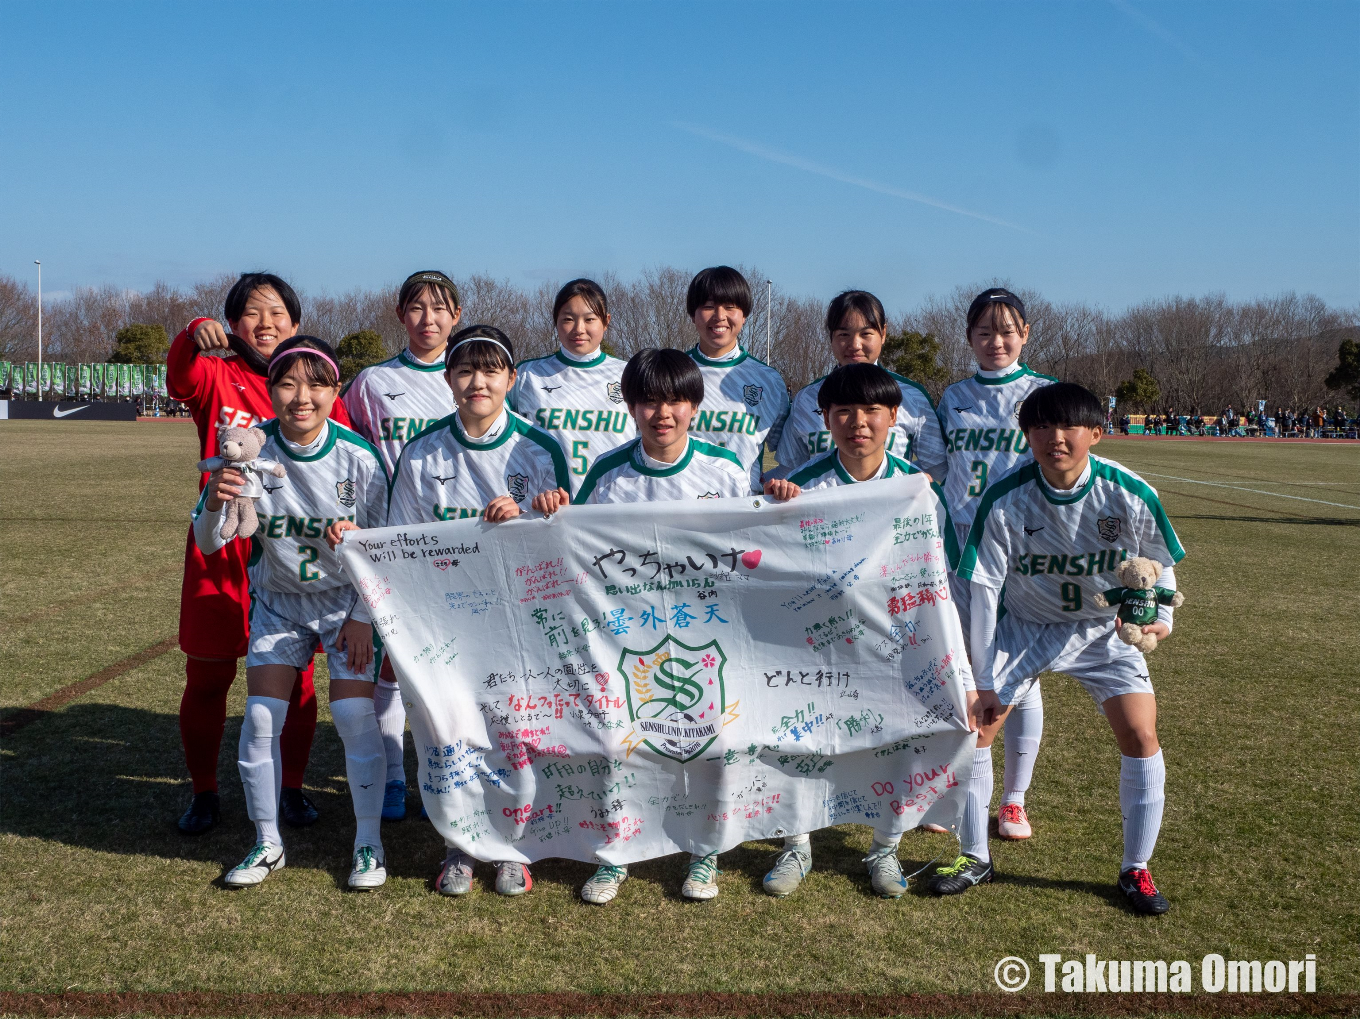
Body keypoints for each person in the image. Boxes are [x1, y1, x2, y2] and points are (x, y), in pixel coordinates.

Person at [935, 382, 1185, 915]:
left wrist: (1158, 620)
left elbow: (1158, 563)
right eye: (1042, 427)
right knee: (977, 729)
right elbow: (983, 593)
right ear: (1026, 434)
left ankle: (1135, 869)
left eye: (1069, 426)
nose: (1056, 438)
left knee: (1141, 734)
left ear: (1095, 432)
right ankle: (974, 855)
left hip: (1100, 632)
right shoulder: (1005, 498)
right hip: (1025, 625)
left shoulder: (1128, 493)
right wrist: (981, 679)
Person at [193, 338, 389, 889]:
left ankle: (369, 843)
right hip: (278, 603)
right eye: (287, 384)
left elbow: (383, 549)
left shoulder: (358, 458)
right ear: (272, 389)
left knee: (353, 718)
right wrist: (213, 500)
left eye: (317, 384)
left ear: (334, 390)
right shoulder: (251, 448)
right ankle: (267, 843)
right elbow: (209, 542)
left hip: (346, 604)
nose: (301, 398)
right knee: (259, 718)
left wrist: (362, 616)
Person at [760, 363, 962, 898]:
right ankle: (795, 844)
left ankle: (885, 848)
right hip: (811, 647)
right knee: (800, 739)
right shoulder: (799, 487)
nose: (858, 423)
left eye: (872, 410)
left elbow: (947, 575)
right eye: (844, 411)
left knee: (897, 743)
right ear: (825, 418)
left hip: (895, 647)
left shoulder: (918, 491)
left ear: (894, 417)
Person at [385, 324, 572, 898]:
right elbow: (399, 543)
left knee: (513, 733)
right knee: (451, 734)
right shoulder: (421, 452)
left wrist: (542, 512)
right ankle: (459, 847)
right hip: (444, 621)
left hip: (517, 620)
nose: (478, 382)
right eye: (465, 370)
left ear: (512, 379)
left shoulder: (539, 450)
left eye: (491, 370)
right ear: (448, 379)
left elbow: (567, 543)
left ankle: (512, 846)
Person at [562, 348, 750, 904]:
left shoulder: (725, 471)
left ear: (694, 405)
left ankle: (704, 854)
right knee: (623, 743)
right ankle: (617, 851)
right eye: (648, 401)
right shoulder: (608, 475)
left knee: (710, 745)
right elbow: (575, 550)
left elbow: (752, 550)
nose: (661, 413)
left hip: (708, 636)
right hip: (629, 638)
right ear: (631, 406)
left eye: (674, 401)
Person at [168, 272, 351, 835]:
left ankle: (290, 789)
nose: (266, 323)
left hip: (288, 554)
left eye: (278, 313)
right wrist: (194, 330)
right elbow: (179, 377)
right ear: (232, 324)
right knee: (208, 679)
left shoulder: (319, 390)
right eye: (252, 313)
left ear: (296, 324)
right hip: (222, 553)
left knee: (294, 680)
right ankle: (204, 792)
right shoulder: (217, 371)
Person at [935, 288, 1057, 841]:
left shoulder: (1043, 393)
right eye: (984, 332)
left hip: (1025, 547)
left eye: (1006, 331)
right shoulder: (952, 396)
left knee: (1020, 674)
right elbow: (937, 471)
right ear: (970, 338)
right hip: (963, 547)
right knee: (964, 668)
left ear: (1025, 334)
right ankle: (956, 785)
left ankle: (1013, 799)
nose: (996, 341)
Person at [341, 270, 461, 823]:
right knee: (387, 669)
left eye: (439, 309)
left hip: (457, 547)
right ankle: (392, 777)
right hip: (389, 543)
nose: (428, 319)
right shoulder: (370, 382)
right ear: (400, 315)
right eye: (417, 308)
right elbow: (346, 449)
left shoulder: (471, 373)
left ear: (455, 317)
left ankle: (455, 777)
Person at [777, 290, 947, 480]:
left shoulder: (912, 396)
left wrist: (905, 487)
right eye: (844, 334)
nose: (855, 344)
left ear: (883, 333)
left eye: (866, 333)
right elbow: (790, 468)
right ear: (831, 336)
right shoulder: (807, 398)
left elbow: (936, 466)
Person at [508, 278, 635, 493]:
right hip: (547, 506)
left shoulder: (629, 373)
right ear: (555, 321)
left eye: (589, 319)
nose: (579, 329)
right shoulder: (528, 375)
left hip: (612, 502)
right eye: (568, 319)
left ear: (606, 321)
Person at [682, 266, 789, 493]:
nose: (719, 316)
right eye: (708, 306)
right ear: (693, 314)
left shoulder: (769, 381)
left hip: (741, 513)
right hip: (680, 508)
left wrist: (766, 486)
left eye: (730, 307)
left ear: (744, 315)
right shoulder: (671, 373)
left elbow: (791, 456)